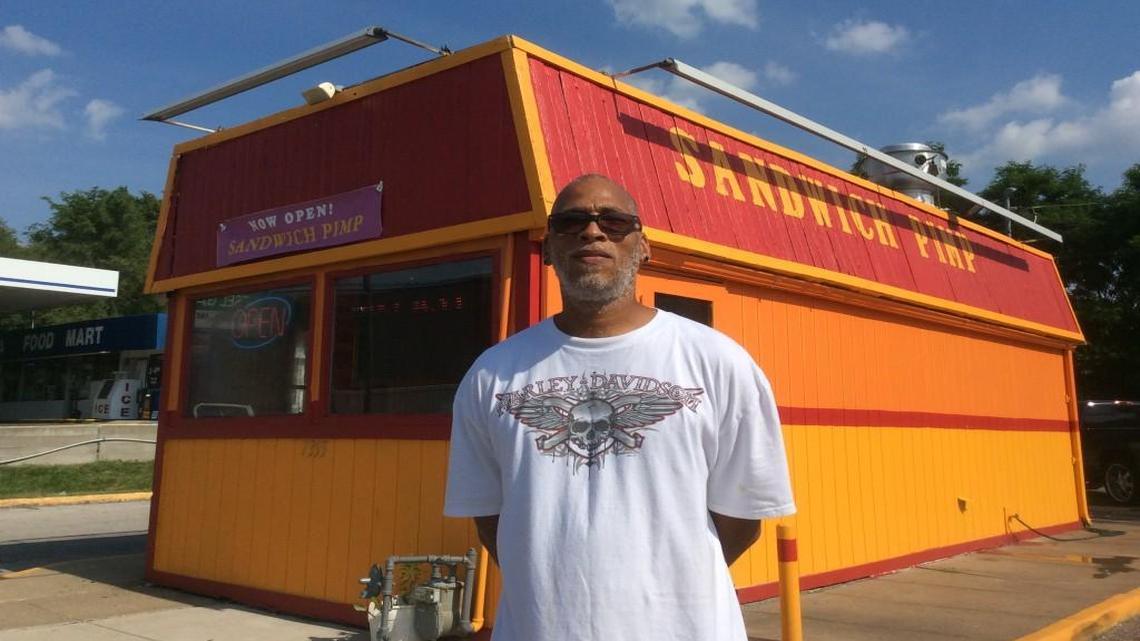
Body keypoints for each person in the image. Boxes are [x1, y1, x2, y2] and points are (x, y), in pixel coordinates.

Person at [444, 174, 795, 641]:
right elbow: (492, 518)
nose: (593, 232)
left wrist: (664, 583)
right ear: (547, 249)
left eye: (614, 221)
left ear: (643, 246)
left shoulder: (718, 362)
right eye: (571, 222)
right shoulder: (492, 376)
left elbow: (742, 518)